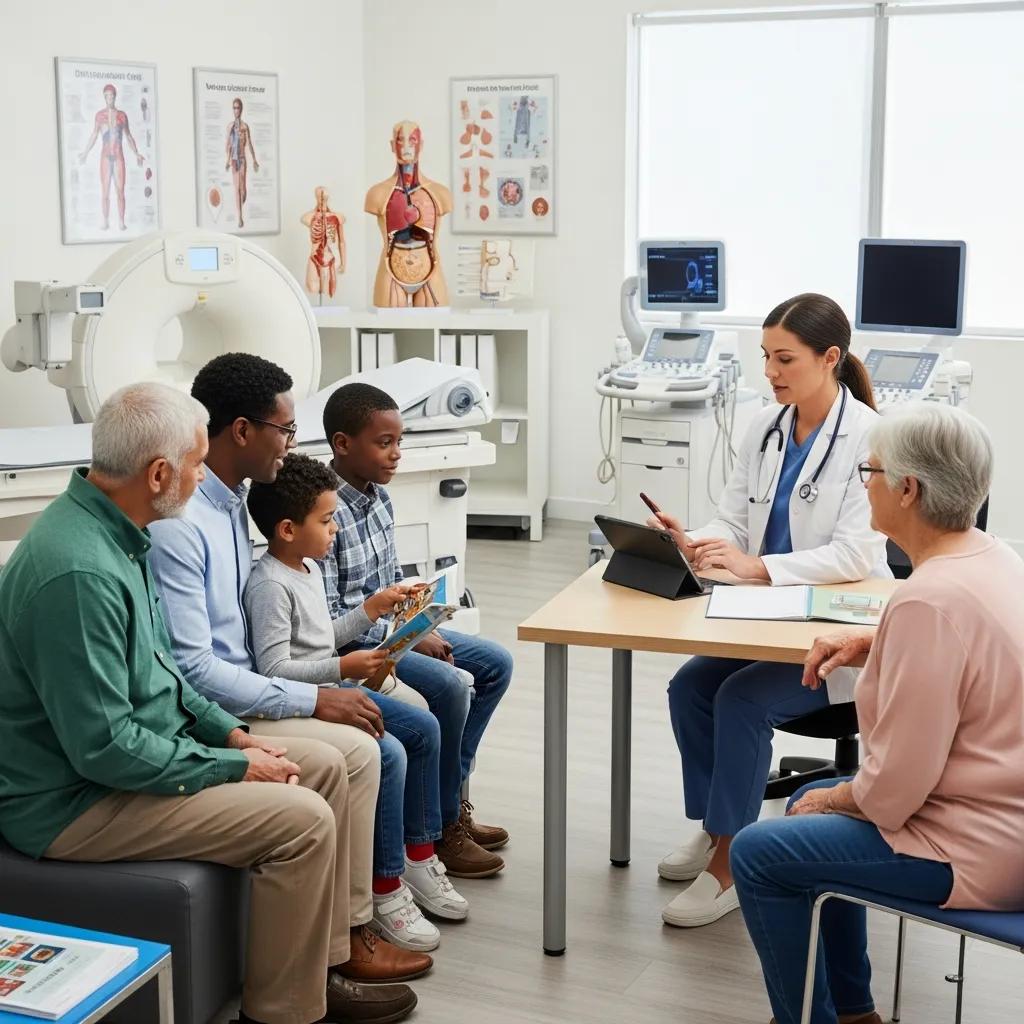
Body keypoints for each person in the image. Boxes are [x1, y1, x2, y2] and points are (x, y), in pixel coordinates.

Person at [0, 382, 416, 1024]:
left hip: (127, 758)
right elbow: (104, 749)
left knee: (333, 766)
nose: (205, 479)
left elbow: (166, 670)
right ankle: (282, 1013)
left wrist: (231, 735)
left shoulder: (121, 533)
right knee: (300, 821)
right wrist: (233, 767)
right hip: (72, 803)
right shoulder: (80, 572)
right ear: (160, 472)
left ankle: (320, 969)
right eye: (197, 465)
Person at [730, 403, 1024, 1024]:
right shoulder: (994, 558)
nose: (863, 482)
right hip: (1004, 818)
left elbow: (892, 792)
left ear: (907, 489)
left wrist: (836, 801)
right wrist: (878, 641)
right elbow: (973, 656)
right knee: (811, 799)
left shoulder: (929, 599)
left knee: (760, 851)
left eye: (870, 470)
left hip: (973, 848)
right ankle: (856, 1012)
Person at [148, 354, 431, 984]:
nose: (294, 443)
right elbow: (195, 669)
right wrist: (310, 698)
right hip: (217, 707)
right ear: (243, 431)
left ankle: (349, 932)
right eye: (286, 429)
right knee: (360, 753)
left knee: (373, 741)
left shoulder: (230, 504)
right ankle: (352, 932)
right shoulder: (184, 524)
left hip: (247, 686)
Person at [650, 294, 891, 928]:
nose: (771, 371)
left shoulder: (870, 435)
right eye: (765, 357)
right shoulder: (765, 424)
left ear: (830, 358)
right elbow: (735, 517)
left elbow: (855, 552)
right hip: (764, 612)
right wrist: (699, 543)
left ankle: (732, 861)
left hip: (834, 628)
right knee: (690, 688)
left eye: (785, 358)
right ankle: (715, 828)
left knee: (742, 700)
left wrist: (759, 567)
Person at [245, 453, 471, 950]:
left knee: (425, 729)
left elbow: (323, 636)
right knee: (396, 747)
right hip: (309, 696)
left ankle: (418, 853)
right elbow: (274, 670)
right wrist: (344, 668)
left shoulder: (303, 567)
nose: (334, 531)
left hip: (334, 684)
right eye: (326, 522)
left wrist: (373, 608)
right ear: (286, 528)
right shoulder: (268, 585)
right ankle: (386, 886)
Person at [318, 382, 513, 878]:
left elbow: (386, 584)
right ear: (343, 444)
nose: (397, 454)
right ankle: (437, 829)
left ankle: (450, 804)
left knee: (494, 664)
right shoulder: (321, 510)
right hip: (358, 643)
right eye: (385, 443)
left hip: (390, 628)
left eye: (399, 442)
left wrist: (419, 612)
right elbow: (333, 619)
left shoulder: (379, 499)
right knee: (449, 685)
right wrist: (405, 630)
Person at [78, 83, 144, 231]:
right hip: (106, 157)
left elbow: (128, 136)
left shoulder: (122, 115)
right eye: (107, 96)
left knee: (120, 191)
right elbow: (94, 135)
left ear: (115, 96)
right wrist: (86, 153)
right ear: (104, 97)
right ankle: (106, 221)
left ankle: (121, 221)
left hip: (119, 155)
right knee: (105, 191)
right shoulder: (99, 116)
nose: (109, 98)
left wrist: (136, 153)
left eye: (112, 95)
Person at [226, 97, 259, 229]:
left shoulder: (245, 127)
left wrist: (255, 159)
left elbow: (249, 144)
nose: (236, 110)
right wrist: (227, 160)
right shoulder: (230, 127)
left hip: (243, 159)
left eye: (238, 108)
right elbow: (228, 145)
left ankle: (240, 202)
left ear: (241, 109)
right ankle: (240, 217)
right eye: (234, 108)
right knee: (237, 189)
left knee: (243, 190)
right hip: (234, 161)